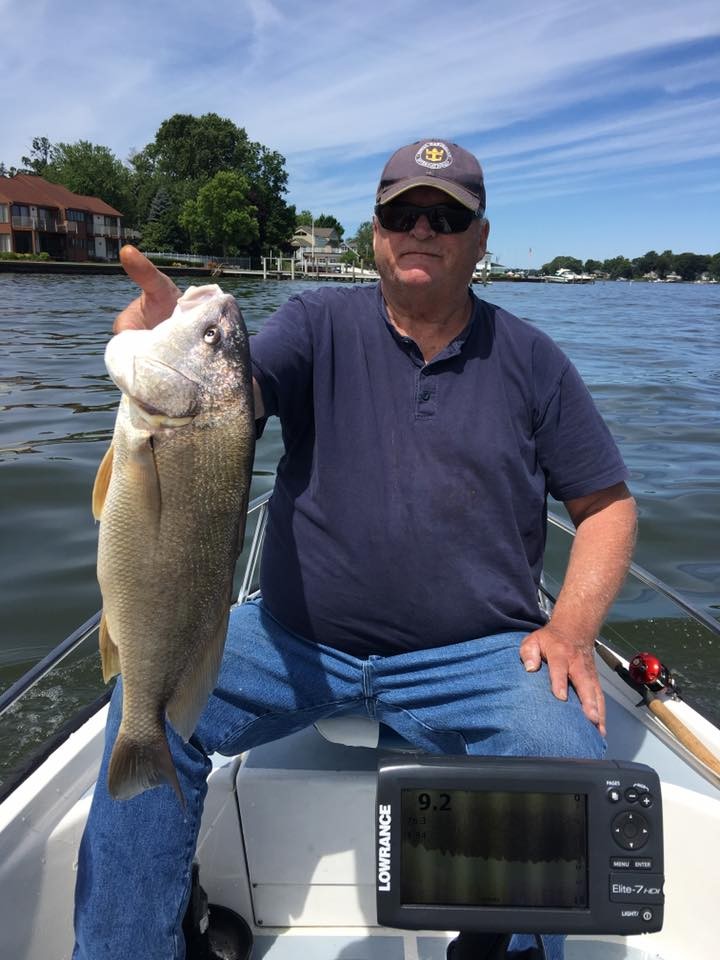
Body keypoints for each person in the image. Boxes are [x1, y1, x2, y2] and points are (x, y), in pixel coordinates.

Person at [73, 139, 637, 960]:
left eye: (447, 217)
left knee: (564, 765)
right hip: (291, 640)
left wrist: (574, 628)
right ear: (373, 232)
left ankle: (500, 949)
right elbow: (232, 398)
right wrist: (163, 353)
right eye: (401, 212)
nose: (422, 228)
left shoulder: (534, 363)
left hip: (478, 658)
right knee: (141, 717)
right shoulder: (314, 322)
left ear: (481, 241)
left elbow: (607, 506)